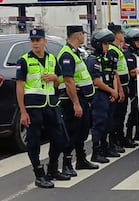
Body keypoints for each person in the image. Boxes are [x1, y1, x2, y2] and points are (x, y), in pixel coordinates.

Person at [15, 28, 71, 188]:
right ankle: (39, 174)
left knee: (59, 139)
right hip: (33, 106)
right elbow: (19, 87)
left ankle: (53, 169)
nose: (35, 43)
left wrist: (54, 78)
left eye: (38, 40)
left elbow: (58, 82)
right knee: (33, 142)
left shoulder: (52, 59)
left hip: (51, 105)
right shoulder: (24, 61)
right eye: (33, 40)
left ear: (44, 41)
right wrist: (23, 112)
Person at [53, 25, 98, 178]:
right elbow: (68, 81)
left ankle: (81, 159)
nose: (84, 36)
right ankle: (66, 163)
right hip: (72, 100)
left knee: (82, 130)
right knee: (72, 132)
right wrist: (76, 103)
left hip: (82, 98)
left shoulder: (75, 53)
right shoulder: (67, 54)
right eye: (82, 34)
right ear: (77, 35)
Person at [86, 29, 121, 164]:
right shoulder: (93, 60)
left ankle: (105, 147)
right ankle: (96, 151)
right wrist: (112, 91)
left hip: (109, 93)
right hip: (99, 94)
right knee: (99, 123)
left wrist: (115, 91)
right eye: (104, 44)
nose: (107, 46)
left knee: (108, 122)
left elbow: (113, 75)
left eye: (108, 43)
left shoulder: (108, 58)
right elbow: (96, 81)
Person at [107, 24, 130, 152]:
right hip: (118, 87)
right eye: (121, 33)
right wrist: (120, 89)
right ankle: (114, 141)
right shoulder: (112, 50)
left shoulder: (118, 49)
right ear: (116, 34)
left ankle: (120, 139)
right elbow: (115, 72)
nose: (123, 35)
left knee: (121, 115)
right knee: (116, 117)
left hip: (123, 85)